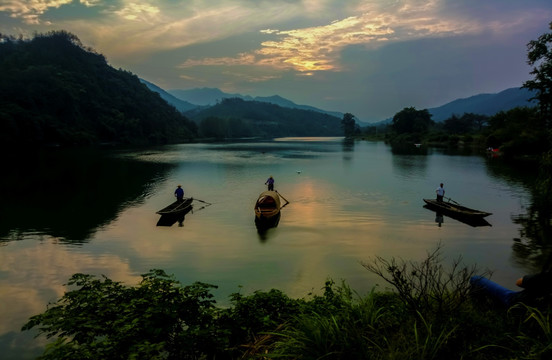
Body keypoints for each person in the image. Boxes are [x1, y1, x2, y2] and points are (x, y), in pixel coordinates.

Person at [470, 271, 552, 307]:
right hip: (537, 310)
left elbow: (519, 282)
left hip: (514, 302)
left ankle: (477, 308)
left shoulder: (546, 276)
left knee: (475, 279)